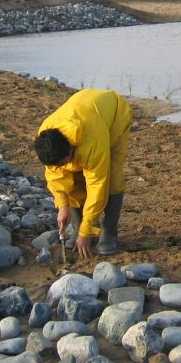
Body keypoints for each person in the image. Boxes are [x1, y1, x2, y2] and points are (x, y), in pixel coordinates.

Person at [34, 89, 132, 259]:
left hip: (115, 117)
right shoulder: (46, 137)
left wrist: (86, 233)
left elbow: (97, 186)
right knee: (73, 178)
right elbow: (56, 175)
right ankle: (78, 227)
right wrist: (63, 205)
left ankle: (108, 235)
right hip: (84, 109)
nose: (62, 166)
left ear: (71, 148)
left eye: (64, 162)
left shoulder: (93, 141)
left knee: (112, 179)